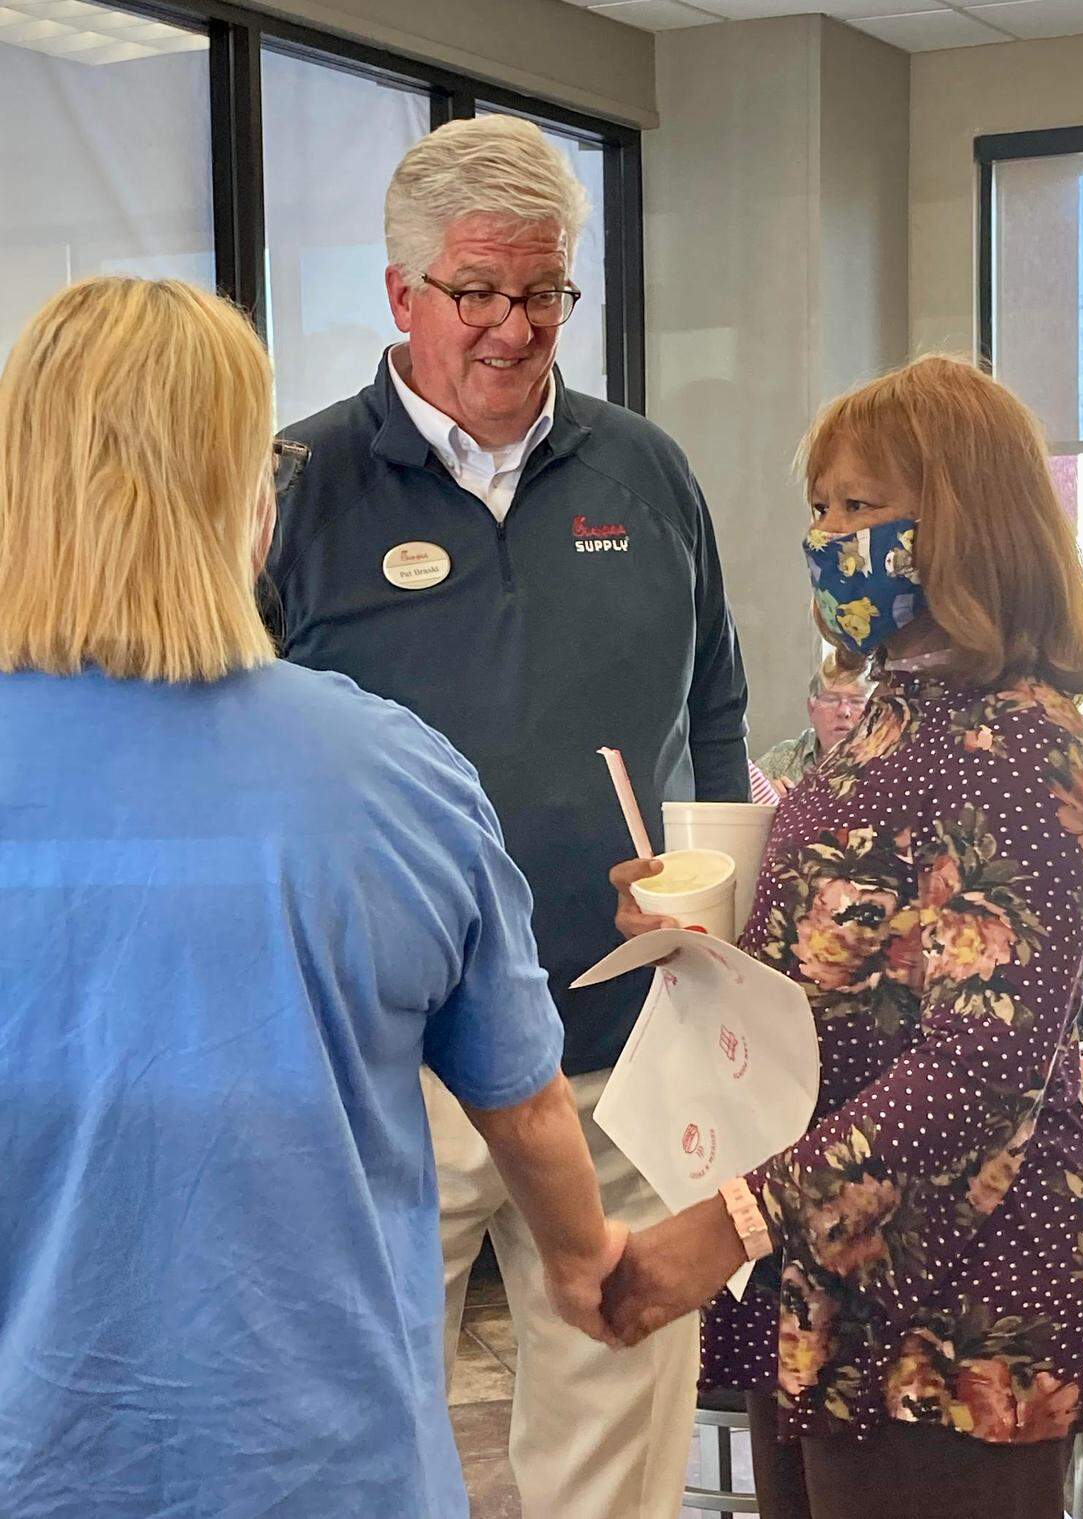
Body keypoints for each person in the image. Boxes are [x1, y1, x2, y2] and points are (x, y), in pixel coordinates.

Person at [0, 275, 627, 1519]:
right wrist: (583, 1259)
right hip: (326, 1471)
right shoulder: (393, 774)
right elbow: (530, 1109)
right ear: (244, 489)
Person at [265, 114, 749, 1517]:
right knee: (357, 1442)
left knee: (613, 1459)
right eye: (477, 292)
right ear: (401, 290)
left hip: (619, 1048)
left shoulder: (644, 475)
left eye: (544, 293)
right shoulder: (298, 492)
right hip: (382, 1063)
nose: (515, 329)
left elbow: (713, 716)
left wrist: (713, 900)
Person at [606, 355, 1083, 1519]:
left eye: (862, 507)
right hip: (836, 1279)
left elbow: (983, 1060)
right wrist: (703, 926)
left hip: (958, 1299)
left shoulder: (1021, 741)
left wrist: (738, 1219)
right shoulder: (891, 711)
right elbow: (869, 952)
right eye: (821, 508)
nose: (829, 537)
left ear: (963, 523)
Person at [755, 663, 872, 789]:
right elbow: (743, 798)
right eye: (831, 700)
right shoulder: (782, 759)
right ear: (811, 709)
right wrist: (767, 799)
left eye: (856, 701)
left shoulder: (884, 763)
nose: (844, 712)